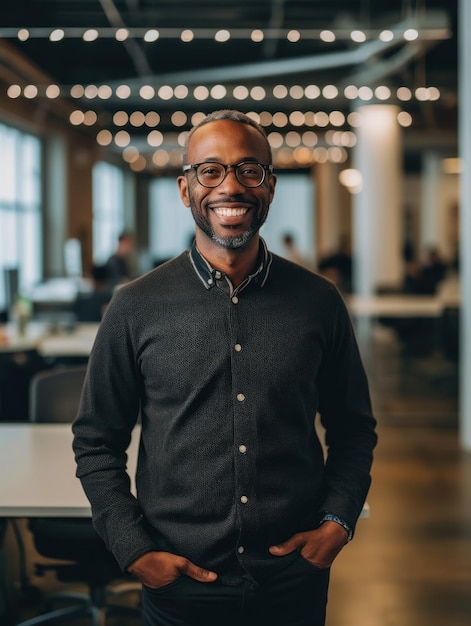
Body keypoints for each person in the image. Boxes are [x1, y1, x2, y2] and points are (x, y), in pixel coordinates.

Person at [72, 109, 377, 626]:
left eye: (248, 170)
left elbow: (353, 428)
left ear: (271, 186)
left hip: (294, 576)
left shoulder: (319, 302)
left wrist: (337, 522)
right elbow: (97, 440)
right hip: (179, 580)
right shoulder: (135, 306)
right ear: (185, 189)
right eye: (210, 171)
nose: (230, 186)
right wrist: (134, 548)